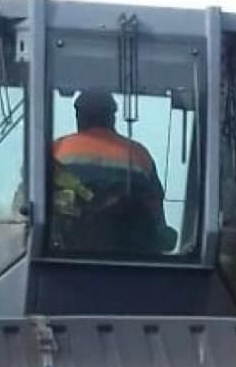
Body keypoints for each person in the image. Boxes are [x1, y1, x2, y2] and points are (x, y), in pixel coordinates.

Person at [50, 89, 176, 254]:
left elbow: (27, 209)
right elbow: (155, 214)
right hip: (131, 260)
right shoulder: (139, 155)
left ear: (79, 116)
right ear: (112, 117)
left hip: (66, 257)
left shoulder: (57, 150)